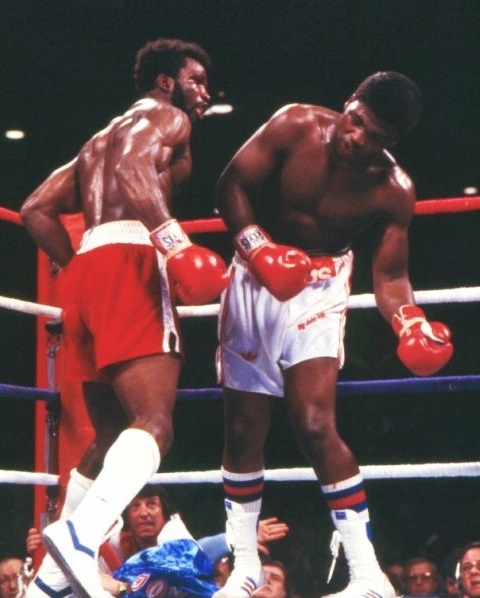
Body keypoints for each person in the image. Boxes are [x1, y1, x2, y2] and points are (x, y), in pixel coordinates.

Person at [213, 71, 454, 598]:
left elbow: (391, 276)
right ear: (349, 104)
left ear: (391, 143)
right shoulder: (295, 125)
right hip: (254, 273)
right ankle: (245, 564)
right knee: (243, 430)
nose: (356, 138)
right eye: (357, 121)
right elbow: (230, 184)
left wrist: (409, 323)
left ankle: (368, 574)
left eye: (375, 136)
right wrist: (258, 249)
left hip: (320, 287)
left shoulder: (393, 189)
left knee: (316, 424)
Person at [20, 37, 229, 598]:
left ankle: (48, 584)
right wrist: (174, 243)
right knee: (154, 425)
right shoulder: (165, 117)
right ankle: (80, 535)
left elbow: (35, 209)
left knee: (111, 433)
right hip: (133, 258)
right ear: (165, 82)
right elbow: (137, 168)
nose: (204, 93)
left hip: (88, 270)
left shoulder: (97, 141)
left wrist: (81, 269)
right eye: (196, 80)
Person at [26, 484, 289, 595]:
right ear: (127, 516)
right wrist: (43, 553)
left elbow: (194, 554)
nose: (144, 513)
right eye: (136, 506)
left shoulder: (172, 531)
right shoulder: (117, 540)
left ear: (164, 512)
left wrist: (234, 538)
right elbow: (87, 576)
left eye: (151, 504)